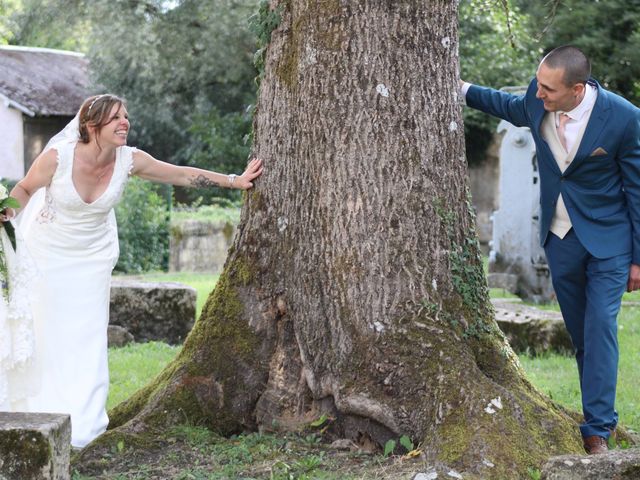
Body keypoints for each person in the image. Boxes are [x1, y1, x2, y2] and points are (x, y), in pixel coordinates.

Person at [0, 93, 263, 448]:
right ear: (92, 126)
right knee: (48, 333)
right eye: (115, 119)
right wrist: (9, 212)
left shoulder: (130, 160)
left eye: (126, 117)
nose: (125, 123)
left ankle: (84, 426)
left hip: (91, 263)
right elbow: (26, 188)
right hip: (49, 255)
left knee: (87, 339)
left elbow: (182, 175)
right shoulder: (58, 158)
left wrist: (234, 180)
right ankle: (38, 411)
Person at [461, 45, 640, 454]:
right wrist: (461, 88)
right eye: (538, 85)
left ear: (577, 89)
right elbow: (508, 105)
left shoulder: (624, 118)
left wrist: (638, 258)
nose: (538, 95)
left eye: (548, 90)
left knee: (600, 327)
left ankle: (598, 430)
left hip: (610, 243)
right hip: (560, 240)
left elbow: (637, 188)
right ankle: (595, 413)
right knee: (580, 335)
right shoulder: (537, 97)